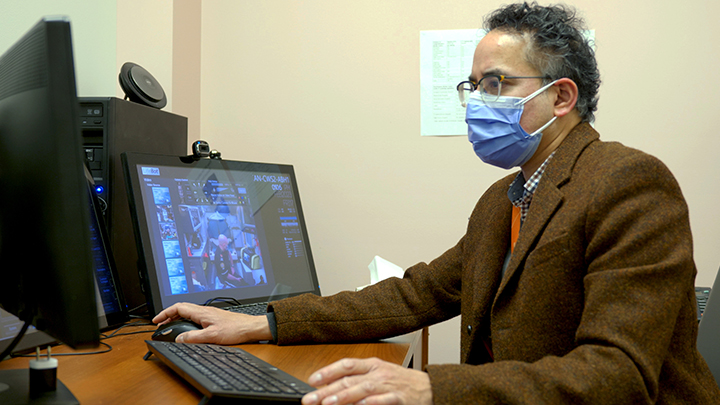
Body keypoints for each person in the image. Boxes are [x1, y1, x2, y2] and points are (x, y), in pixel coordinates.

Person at [153, 2, 720, 404]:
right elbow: (416, 293)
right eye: (474, 87)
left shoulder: (630, 182)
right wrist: (264, 323)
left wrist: (431, 387)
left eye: (496, 83)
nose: (478, 103)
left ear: (562, 97)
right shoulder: (504, 198)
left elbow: (618, 376)